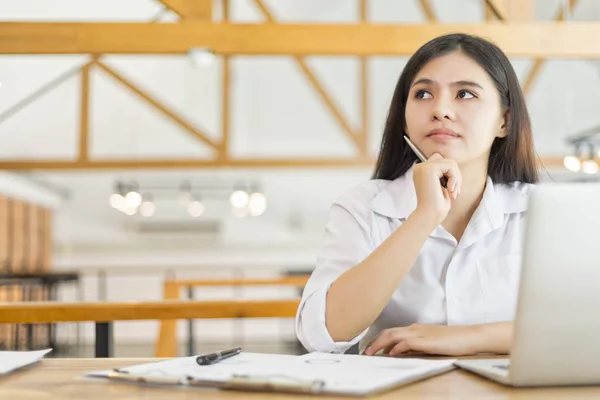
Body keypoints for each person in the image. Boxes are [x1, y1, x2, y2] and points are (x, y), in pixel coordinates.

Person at [295, 33, 539, 357]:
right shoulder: (361, 208)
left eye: (465, 94)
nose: (440, 110)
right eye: (423, 93)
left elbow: (581, 325)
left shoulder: (539, 212)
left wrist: (463, 338)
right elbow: (321, 335)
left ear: (504, 122)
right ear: (405, 120)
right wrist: (423, 217)